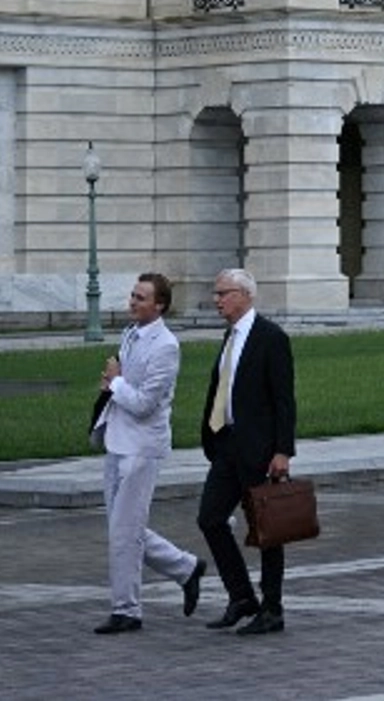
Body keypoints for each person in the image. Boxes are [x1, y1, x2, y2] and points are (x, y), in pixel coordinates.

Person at [90, 271, 208, 635]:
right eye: (132, 295)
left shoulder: (166, 346)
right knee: (123, 528)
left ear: (160, 305)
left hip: (142, 447)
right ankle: (185, 568)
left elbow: (144, 404)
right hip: (116, 440)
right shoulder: (129, 334)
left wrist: (116, 382)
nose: (133, 302)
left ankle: (127, 609)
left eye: (141, 298)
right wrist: (114, 384)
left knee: (125, 533)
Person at [193, 268, 297, 637]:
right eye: (216, 293)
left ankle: (272, 608)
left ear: (245, 295)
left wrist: (283, 450)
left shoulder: (271, 337)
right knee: (210, 518)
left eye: (224, 293)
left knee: (267, 531)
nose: (217, 299)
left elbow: (284, 400)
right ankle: (241, 597)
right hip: (226, 445)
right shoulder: (230, 336)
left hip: (259, 450)